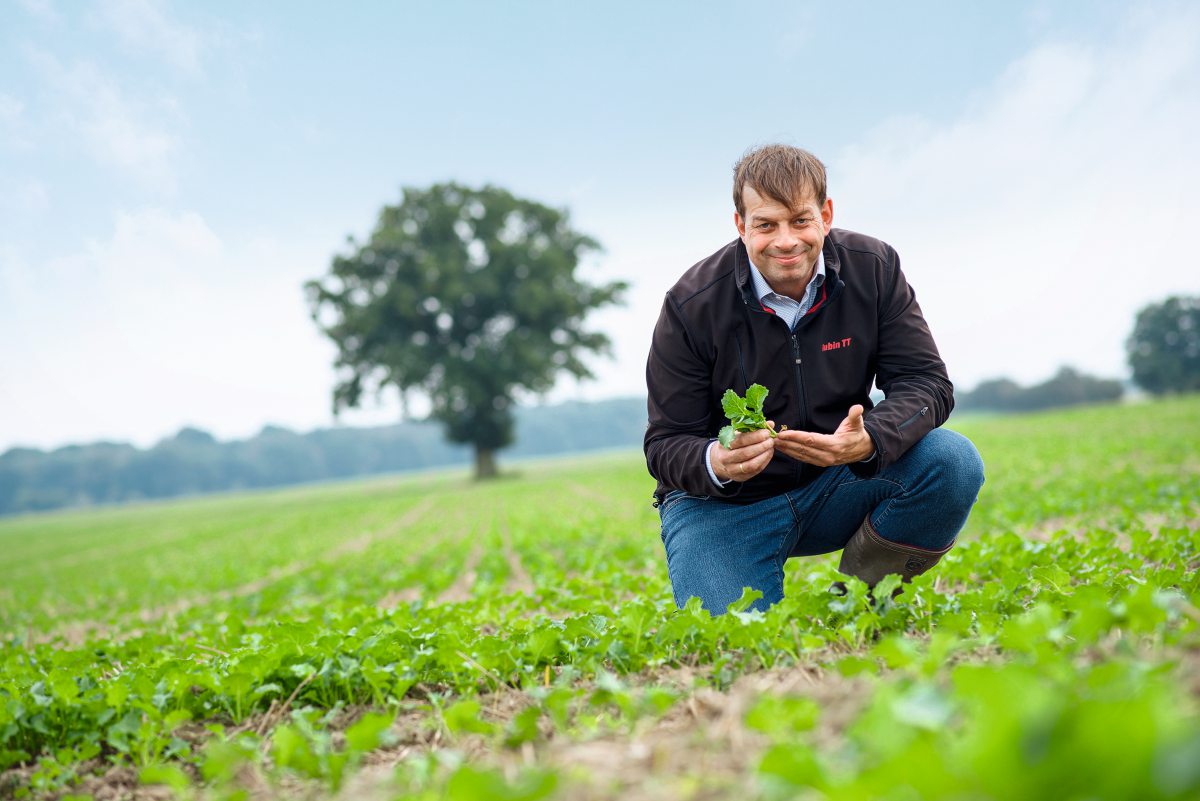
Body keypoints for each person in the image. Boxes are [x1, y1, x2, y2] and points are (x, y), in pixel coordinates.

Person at [644, 144, 985, 614]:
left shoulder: (874, 268)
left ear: (825, 214)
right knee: (737, 644)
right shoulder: (691, 304)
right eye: (766, 225)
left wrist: (871, 441)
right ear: (741, 225)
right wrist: (717, 461)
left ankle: (862, 606)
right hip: (724, 508)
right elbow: (664, 442)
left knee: (952, 461)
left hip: (840, 482)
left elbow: (926, 382)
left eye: (800, 220)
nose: (786, 241)